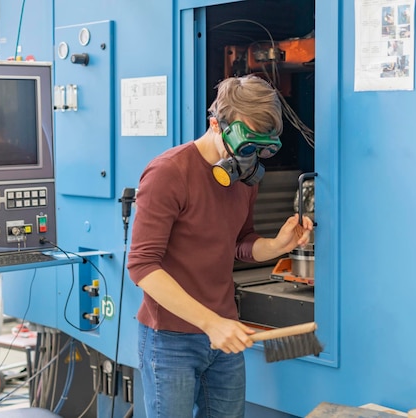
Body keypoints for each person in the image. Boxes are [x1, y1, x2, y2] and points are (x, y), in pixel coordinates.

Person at [127, 75, 314, 418]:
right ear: (216, 123)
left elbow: (240, 244)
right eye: (245, 147)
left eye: (261, 149)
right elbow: (142, 266)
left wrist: (277, 245)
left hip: (225, 336)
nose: (251, 159)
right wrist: (212, 323)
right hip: (171, 339)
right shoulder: (168, 173)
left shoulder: (244, 181)